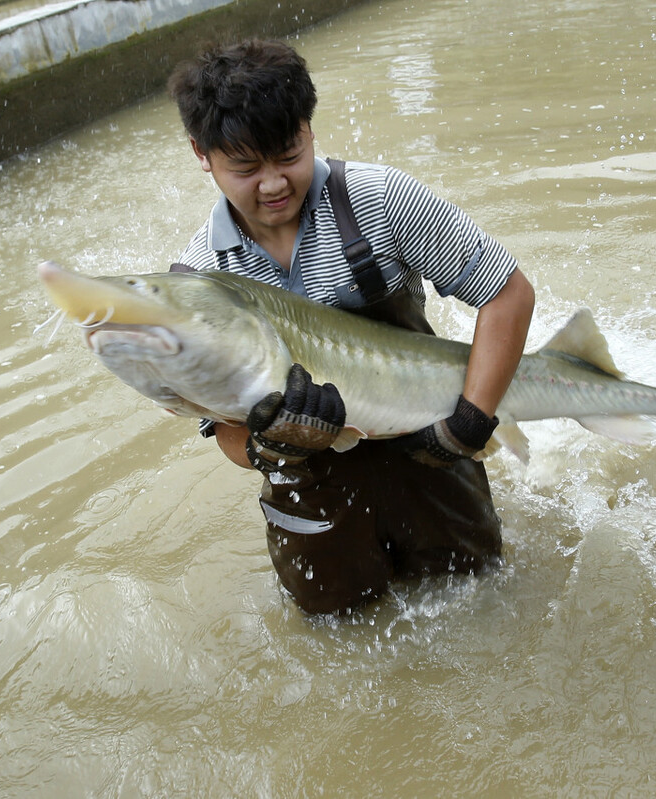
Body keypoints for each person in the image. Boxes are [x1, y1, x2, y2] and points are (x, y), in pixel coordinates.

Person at [167, 38, 535, 614]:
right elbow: (227, 436)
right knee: (337, 636)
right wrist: (270, 445)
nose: (272, 184)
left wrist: (468, 421)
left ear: (309, 128)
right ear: (201, 153)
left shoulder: (380, 200)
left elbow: (508, 295)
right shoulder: (201, 281)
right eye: (245, 167)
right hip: (311, 493)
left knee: (482, 601)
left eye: (288, 155)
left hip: (427, 455)